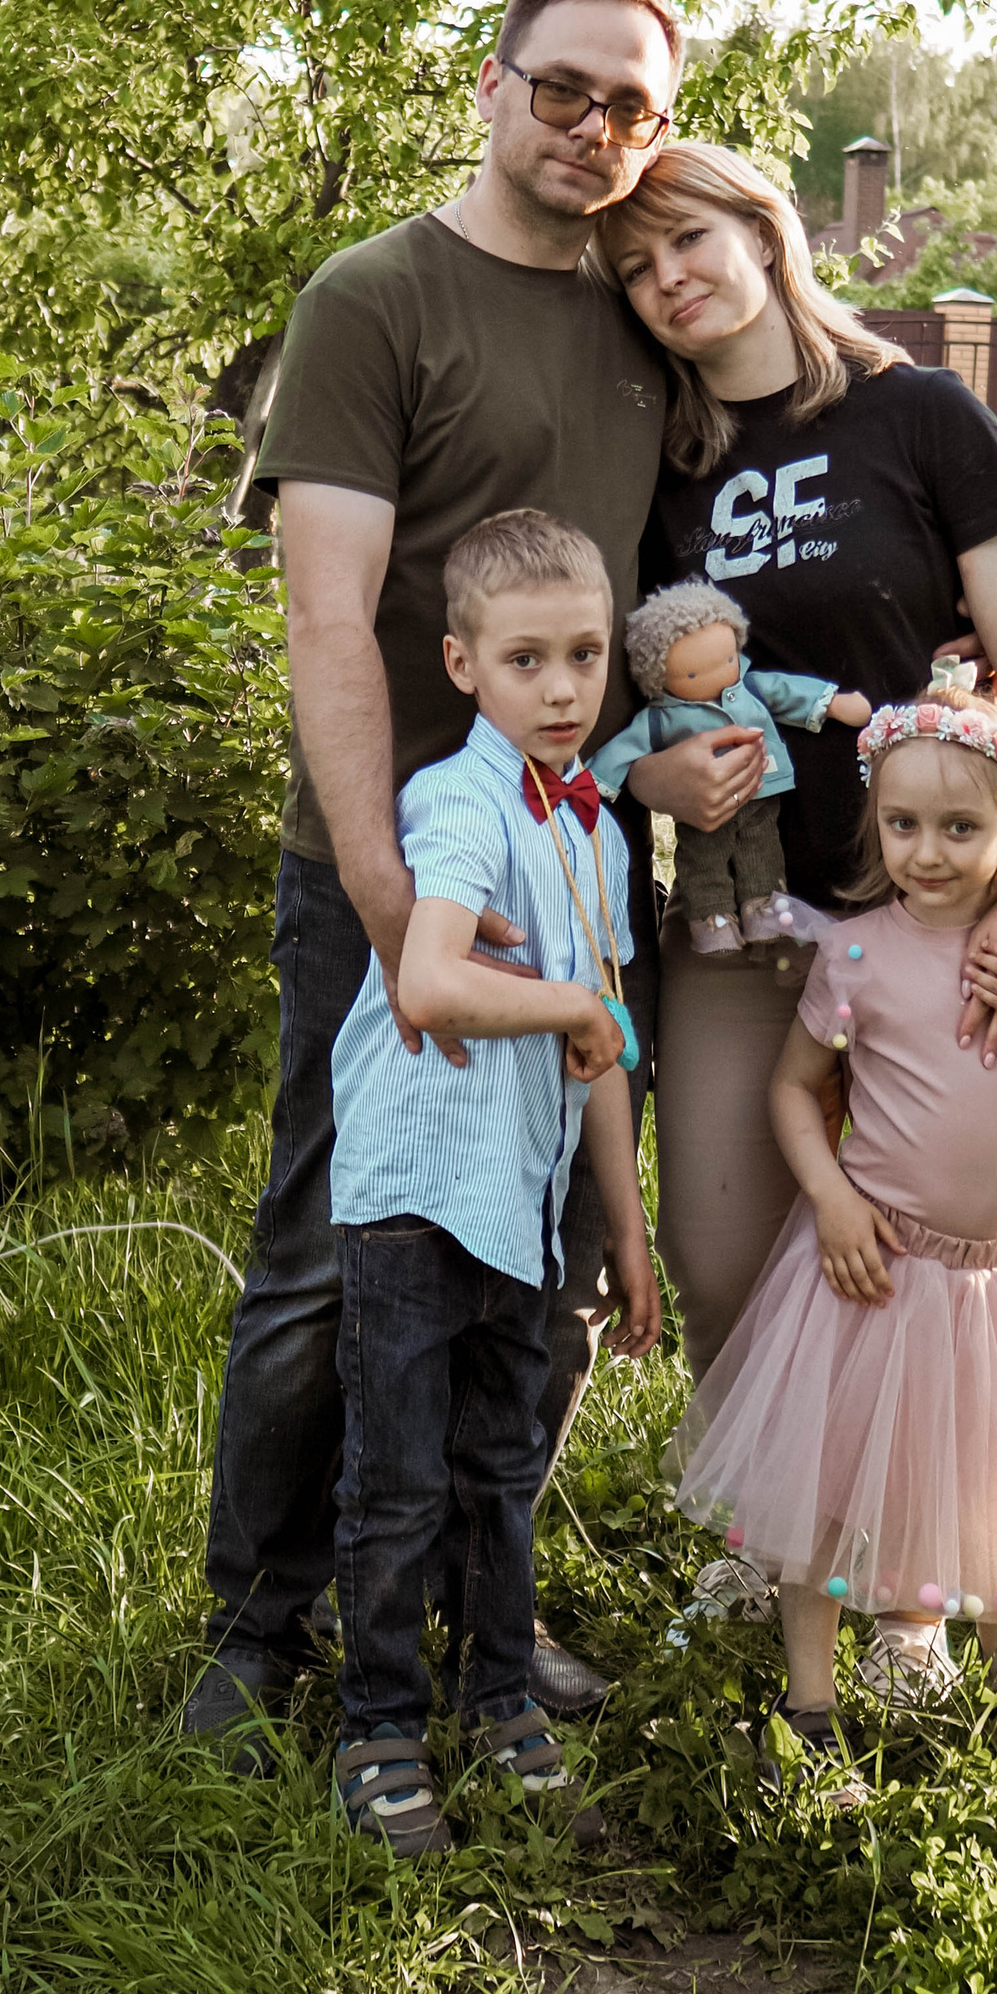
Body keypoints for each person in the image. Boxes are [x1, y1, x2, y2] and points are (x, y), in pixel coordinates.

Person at [187, 0, 742, 1760]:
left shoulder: (642, 323)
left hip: (580, 869)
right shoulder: (375, 300)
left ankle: (472, 1601)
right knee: (331, 1253)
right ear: (492, 86)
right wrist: (383, 901)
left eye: (631, 105)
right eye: (563, 87)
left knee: (552, 1256)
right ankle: (260, 1624)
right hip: (401, 871)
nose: (592, 127)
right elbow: (329, 620)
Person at [588, 137, 997, 1705]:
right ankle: (785, 1525)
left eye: (689, 239)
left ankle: (909, 1583)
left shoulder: (920, 414)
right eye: (635, 266)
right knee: (722, 1243)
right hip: (743, 920)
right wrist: (656, 772)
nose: (668, 279)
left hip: (931, 924)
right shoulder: (660, 470)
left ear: (766, 228)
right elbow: (625, 690)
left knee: (930, 1263)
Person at [669, 688, 997, 1773]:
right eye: (902, 824)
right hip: (874, 1266)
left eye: (961, 826)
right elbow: (795, 1088)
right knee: (825, 1484)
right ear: (874, 822)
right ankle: (810, 1702)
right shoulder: (857, 956)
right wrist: (829, 1196)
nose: (927, 852)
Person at [327, 511, 662, 1860]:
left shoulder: (600, 834)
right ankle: (379, 1726)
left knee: (499, 1466)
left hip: (521, 1202)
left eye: (585, 653)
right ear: (464, 665)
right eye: (527, 659)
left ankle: (498, 1697)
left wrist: (626, 1228)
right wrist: (571, 1002)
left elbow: (605, 1044)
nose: (564, 687)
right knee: (399, 1479)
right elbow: (429, 979)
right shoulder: (458, 802)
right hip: (417, 1194)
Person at [591, 580, 868, 954]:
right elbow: (624, 748)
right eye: (692, 675)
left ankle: (764, 909)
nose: (721, 676)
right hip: (701, 807)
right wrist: (594, 782)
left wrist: (832, 704)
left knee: (761, 849)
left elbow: (786, 692)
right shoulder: (659, 719)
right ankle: (711, 918)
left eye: (727, 661)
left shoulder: (749, 688)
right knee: (703, 859)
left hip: (761, 788)